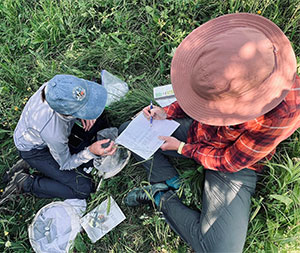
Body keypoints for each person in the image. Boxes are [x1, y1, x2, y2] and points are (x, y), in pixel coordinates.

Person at [120, 13, 300, 252]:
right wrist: (168, 112)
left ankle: (161, 198)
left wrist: (184, 149)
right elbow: (203, 94)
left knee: (221, 250)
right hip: (202, 130)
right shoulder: (232, 50)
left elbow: (230, 160)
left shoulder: (284, 110)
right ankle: (169, 181)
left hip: (234, 162)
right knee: (128, 130)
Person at [1, 74, 117, 202]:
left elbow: (81, 93)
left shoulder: (59, 87)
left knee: (98, 119)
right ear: (67, 113)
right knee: (83, 188)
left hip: (42, 134)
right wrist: (90, 151)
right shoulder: (54, 133)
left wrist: (84, 112)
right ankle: (26, 182)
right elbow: (66, 163)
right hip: (35, 150)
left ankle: (45, 163)